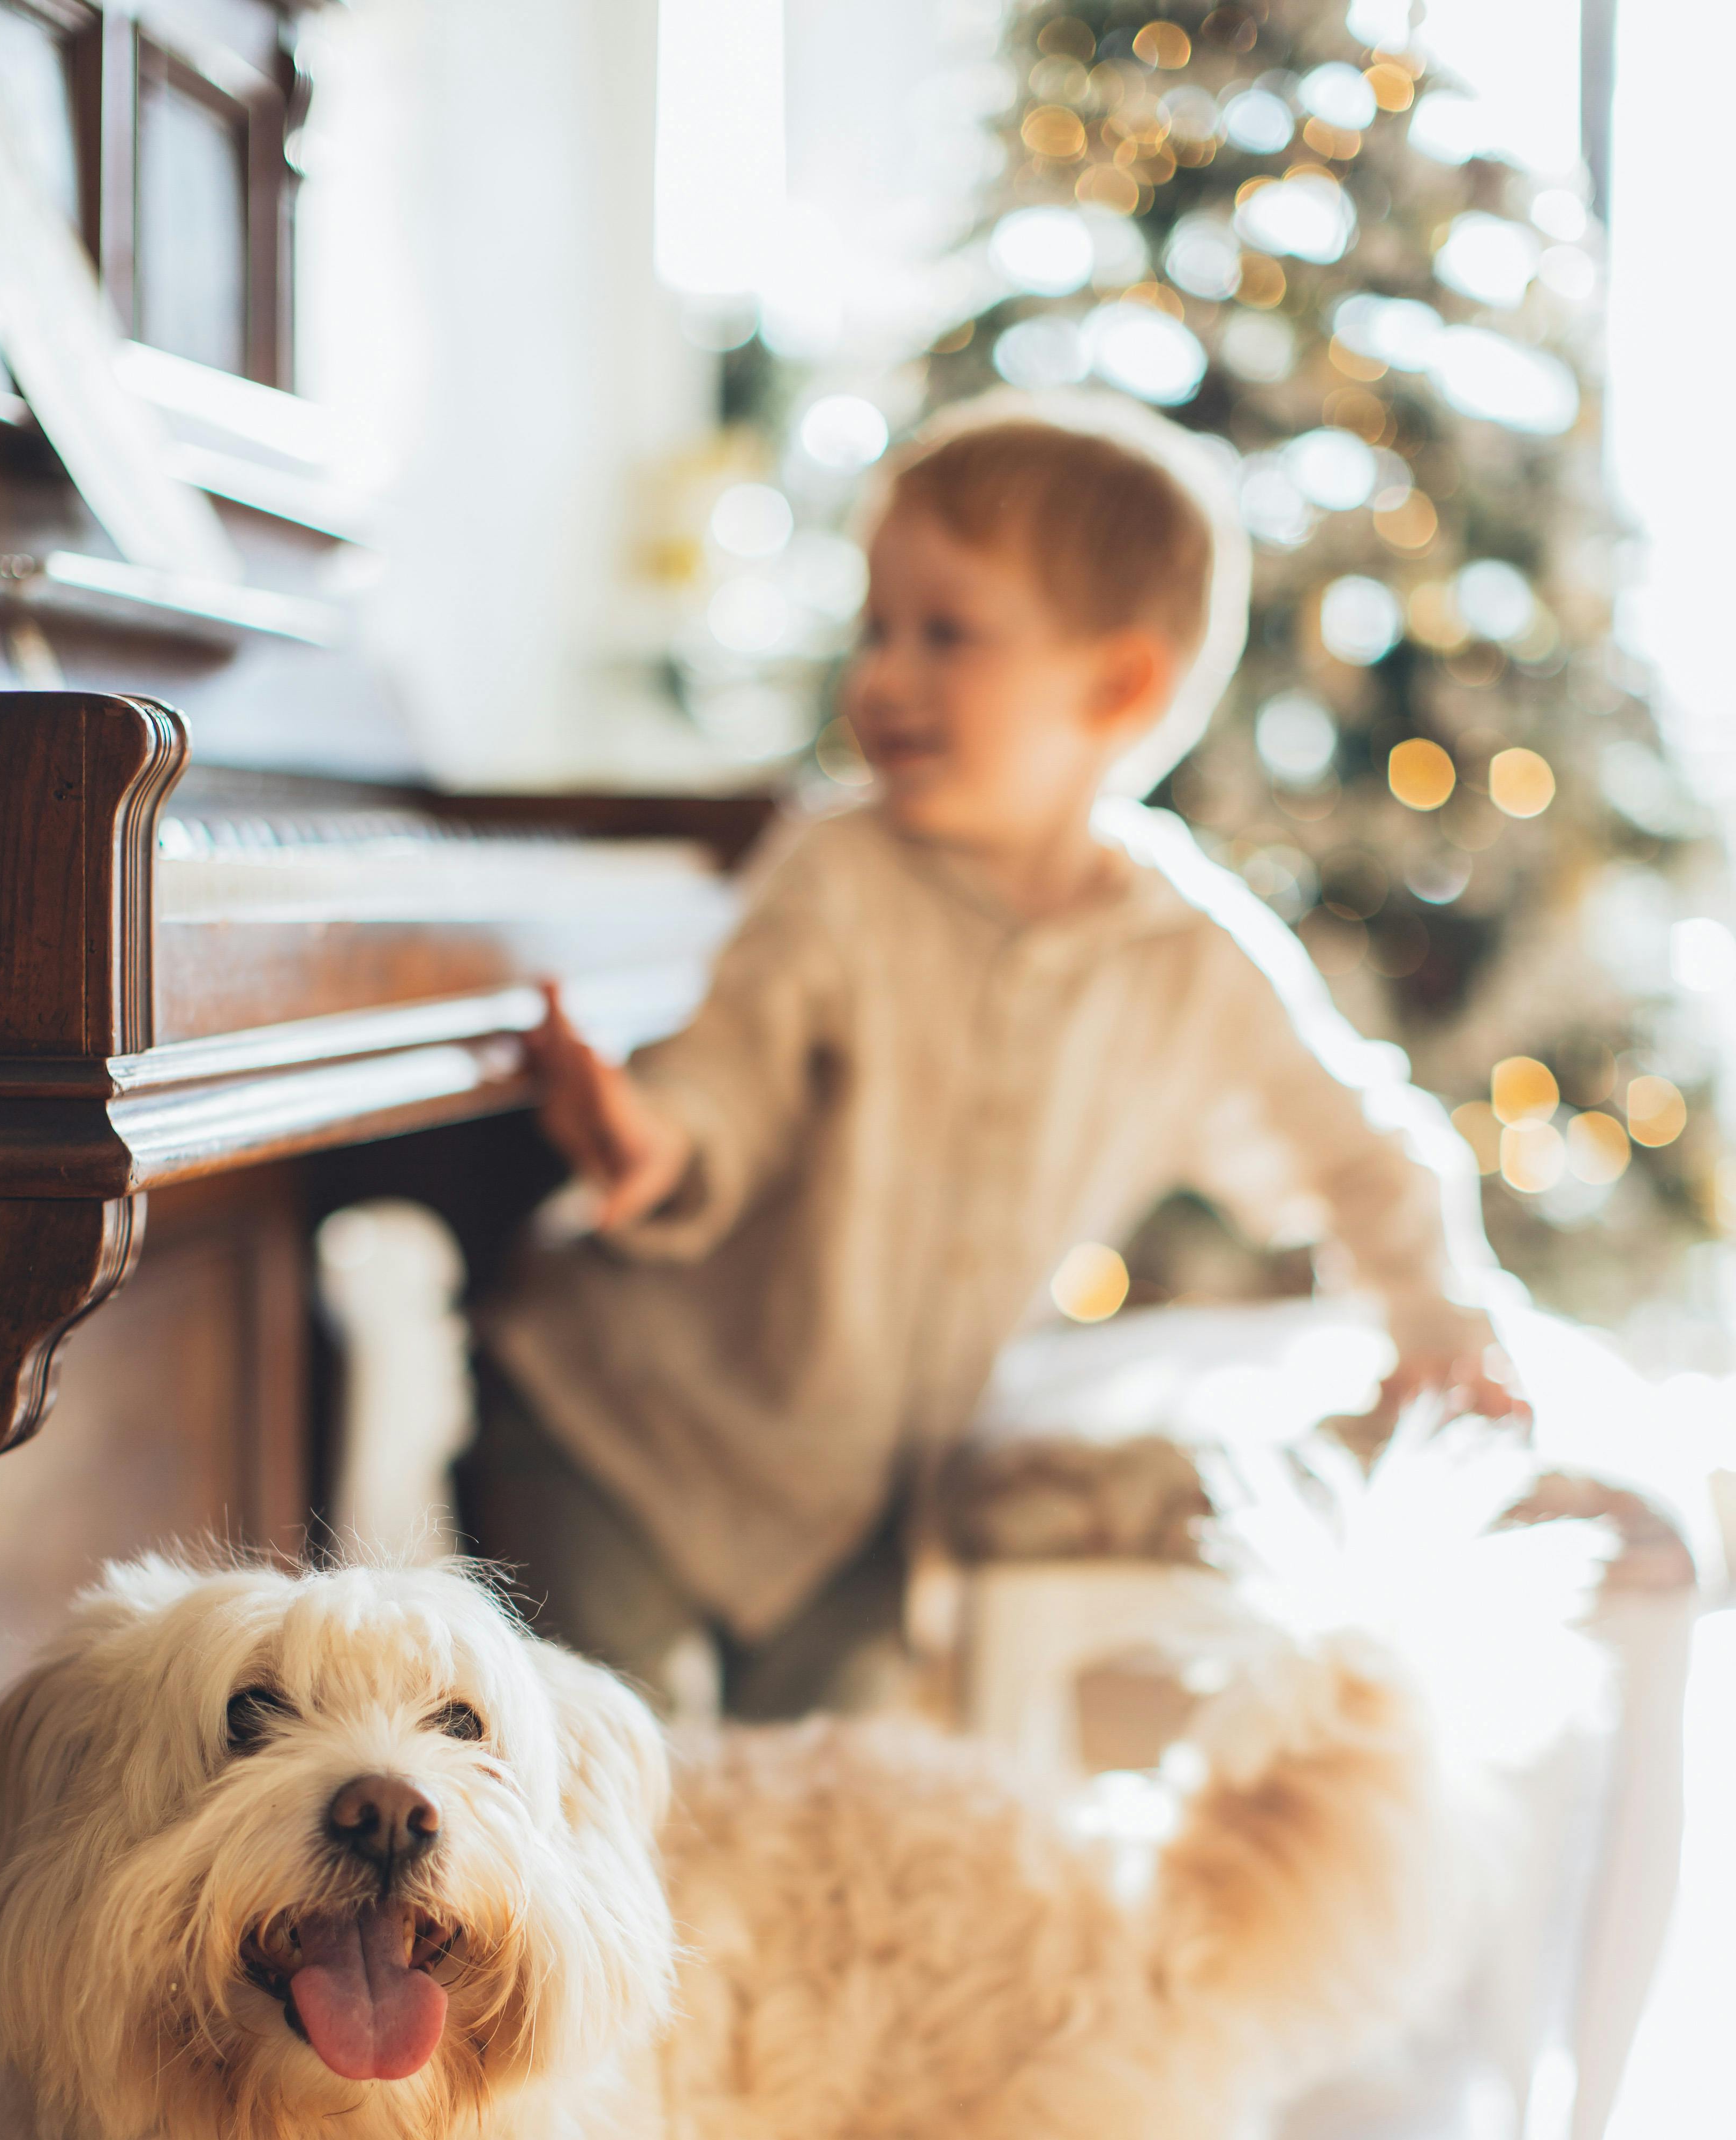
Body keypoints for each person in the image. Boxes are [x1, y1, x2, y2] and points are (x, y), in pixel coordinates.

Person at [466, 392, 1517, 1717]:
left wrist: (1442, 1327)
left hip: (866, 1505)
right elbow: (726, 1069)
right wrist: (653, 1140)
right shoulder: (839, 873)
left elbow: (1362, 1151)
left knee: (834, 1828)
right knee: (574, 1792)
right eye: (875, 628)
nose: (882, 678)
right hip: (622, 1426)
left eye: (944, 634)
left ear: (1118, 684)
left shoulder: (1188, 960)